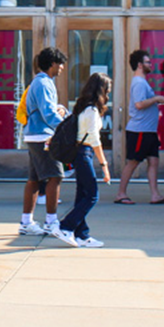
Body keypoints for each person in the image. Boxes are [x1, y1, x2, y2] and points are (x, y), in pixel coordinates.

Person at [51, 73, 112, 248]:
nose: (108, 93)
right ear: (102, 90)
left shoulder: (83, 107)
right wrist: (104, 165)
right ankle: (65, 226)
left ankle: (81, 234)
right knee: (92, 195)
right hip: (84, 152)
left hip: (80, 153)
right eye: (107, 89)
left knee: (82, 195)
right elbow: (94, 140)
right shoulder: (91, 110)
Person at [19, 47, 69, 237]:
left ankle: (26, 221)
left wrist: (59, 111)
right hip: (43, 136)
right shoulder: (44, 83)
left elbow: (45, 109)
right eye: (61, 64)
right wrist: (67, 124)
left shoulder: (37, 82)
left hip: (34, 135)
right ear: (53, 64)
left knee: (34, 179)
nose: (62, 68)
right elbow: (48, 114)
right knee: (55, 177)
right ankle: (51, 221)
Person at [116, 50, 164, 205]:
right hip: (139, 130)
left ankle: (155, 194)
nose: (150, 64)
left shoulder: (143, 82)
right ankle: (121, 193)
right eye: (147, 62)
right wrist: (156, 99)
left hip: (149, 130)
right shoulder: (139, 83)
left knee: (153, 161)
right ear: (139, 65)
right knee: (133, 161)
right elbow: (139, 104)